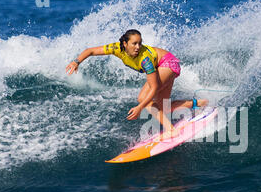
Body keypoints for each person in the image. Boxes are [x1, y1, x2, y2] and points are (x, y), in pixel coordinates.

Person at [65, 29, 208, 140]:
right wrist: (76, 62)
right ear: (125, 44)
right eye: (134, 43)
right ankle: (199, 103)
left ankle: (171, 130)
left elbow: (154, 88)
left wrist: (140, 107)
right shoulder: (116, 48)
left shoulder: (145, 59)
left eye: (140, 43)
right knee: (162, 108)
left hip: (168, 64)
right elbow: (91, 51)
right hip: (167, 64)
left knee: (143, 99)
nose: (138, 46)